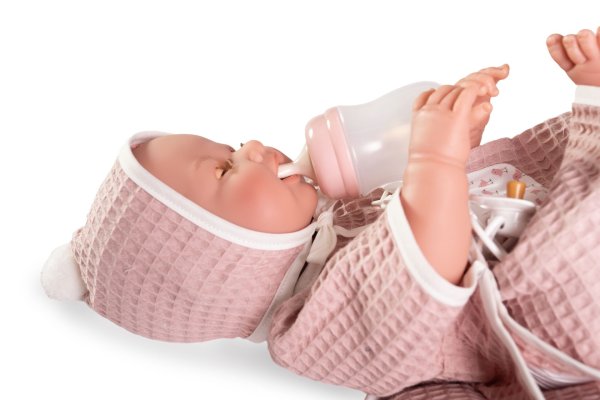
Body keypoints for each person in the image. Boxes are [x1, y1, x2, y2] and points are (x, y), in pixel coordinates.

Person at [41, 27, 600, 399]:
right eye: (227, 168)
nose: (252, 146)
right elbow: (424, 274)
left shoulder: (338, 221)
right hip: (546, 310)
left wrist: (460, 136)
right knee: (565, 268)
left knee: (557, 176)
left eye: (233, 145)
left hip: (529, 214)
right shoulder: (310, 330)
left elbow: (449, 202)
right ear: (220, 260)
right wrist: (435, 159)